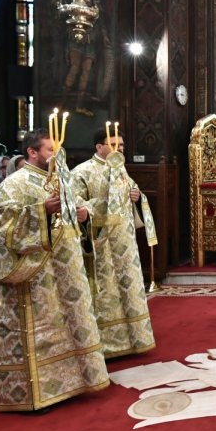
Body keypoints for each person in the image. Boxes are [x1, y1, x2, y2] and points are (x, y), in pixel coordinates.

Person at [0, 129, 109, 411]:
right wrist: (40, 210)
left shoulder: (62, 179)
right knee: (42, 327)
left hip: (67, 269)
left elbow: (80, 207)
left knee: (72, 320)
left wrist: (84, 214)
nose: (56, 155)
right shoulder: (15, 184)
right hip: (37, 274)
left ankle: (76, 381)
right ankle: (37, 394)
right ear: (32, 152)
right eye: (50, 149)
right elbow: (1, 223)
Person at [71, 128, 156, 359]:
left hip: (125, 242)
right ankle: (107, 344)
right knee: (106, 290)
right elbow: (74, 204)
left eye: (122, 145)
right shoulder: (82, 172)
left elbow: (134, 193)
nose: (119, 149)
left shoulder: (121, 170)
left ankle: (134, 337)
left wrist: (137, 197)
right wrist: (97, 209)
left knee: (128, 287)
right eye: (114, 144)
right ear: (99, 147)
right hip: (101, 243)